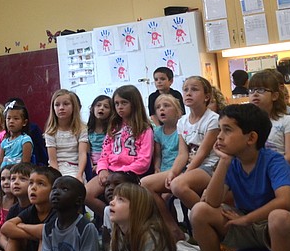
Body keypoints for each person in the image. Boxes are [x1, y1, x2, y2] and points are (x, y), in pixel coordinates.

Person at [190, 104, 290, 251]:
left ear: (251, 138)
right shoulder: (232, 162)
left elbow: (284, 202)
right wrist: (224, 161)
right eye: (220, 129)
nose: (219, 136)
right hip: (249, 224)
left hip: (288, 226)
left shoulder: (275, 161)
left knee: (278, 217)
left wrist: (246, 219)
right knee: (199, 211)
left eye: (227, 130)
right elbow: (212, 202)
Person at [142, 76, 219, 241]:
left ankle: (210, 220)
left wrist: (183, 174)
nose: (188, 93)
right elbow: (183, 154)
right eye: (185, 89)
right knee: (145, 184)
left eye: (194, 89)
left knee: (178, 184)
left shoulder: (213, 119)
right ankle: (174, 228)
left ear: (207, 96)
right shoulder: (182, 121)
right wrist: (173, 172)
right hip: (189, 168)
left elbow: (202, 153)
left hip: (209, 167)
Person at [85, 85, 153, 216]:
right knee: (86, 193)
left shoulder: (145, 129)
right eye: (116, 103)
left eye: (124, 103)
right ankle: (111, 219)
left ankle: (125, 221)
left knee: (119, 194)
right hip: (110, 171)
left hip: (131, 173)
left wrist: (123, 172)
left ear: (134, 104)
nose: (119, 107)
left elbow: (144, 160)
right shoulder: (114, 127)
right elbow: (104, 154)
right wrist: (102, 169)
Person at [1, 167, 62, 251]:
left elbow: (44, 231)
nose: (33, 188)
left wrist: (21, 226)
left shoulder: (58, 211)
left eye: (40, 183)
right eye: (31, 183)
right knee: (14, 238)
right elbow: (6, 227)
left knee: (43, 240)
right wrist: (34, 235)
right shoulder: (32, 209)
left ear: (53, 190)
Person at [248, 71, 290, 171]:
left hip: (280, 167)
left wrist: (265, 167)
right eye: (251, 90)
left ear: (274, 96)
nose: (255, 94)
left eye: (261, 90)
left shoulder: (288, 121)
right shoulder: (247, 123)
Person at [108, 183, 177, 251]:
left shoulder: (151, 236)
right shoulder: (118, 233)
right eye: (113, 198)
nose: (111, 202)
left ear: (136, 207)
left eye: (120, 199)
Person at [41, 176, 100, 251]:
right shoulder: (47, 228)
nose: (56, 192)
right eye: (53, 189)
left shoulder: (86, 228)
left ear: (78, 201)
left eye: (64, 189)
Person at [44, 89, 90, 180]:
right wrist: (58, 178)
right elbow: (53, 160)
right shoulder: (50, 132)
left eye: (66, 104)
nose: (61, 107)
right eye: (57, 105)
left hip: (75, 169)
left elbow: (82, 154)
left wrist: (80, 174)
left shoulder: (81, 129)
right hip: (55, 169)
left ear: (74, 107)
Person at [0, 103, 33, 172]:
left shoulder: (25, 140)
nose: (11, 121)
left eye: (16, 118)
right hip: (3, 175)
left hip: (17, 175)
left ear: (24, 122)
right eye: (8, 118)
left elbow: (25, 165)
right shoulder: (4, 142)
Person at [152, 94, 182, 175]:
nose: (161, 109)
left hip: (179, 169)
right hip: (163, 170)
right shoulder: (157, 132)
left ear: (177, 111)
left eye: (166, 105)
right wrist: (157, 167)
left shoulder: (182, 129)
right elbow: (158, 156)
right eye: (158, 107)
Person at [0, 165, 16, 249]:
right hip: (1, 238)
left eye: (10, 178)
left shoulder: (21, 203)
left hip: (16, 240)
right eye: (3, 179)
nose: (6, 182)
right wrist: (1, 240)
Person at [86, 95, 112, 168]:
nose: (101, 108)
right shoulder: (87, 130)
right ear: (92, 109)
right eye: (98, 105)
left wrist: (101, 166)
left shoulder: (112, 130)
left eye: (106, 107)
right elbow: (87, 152)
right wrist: (91, 166)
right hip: (92, 165)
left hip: (108, 165)